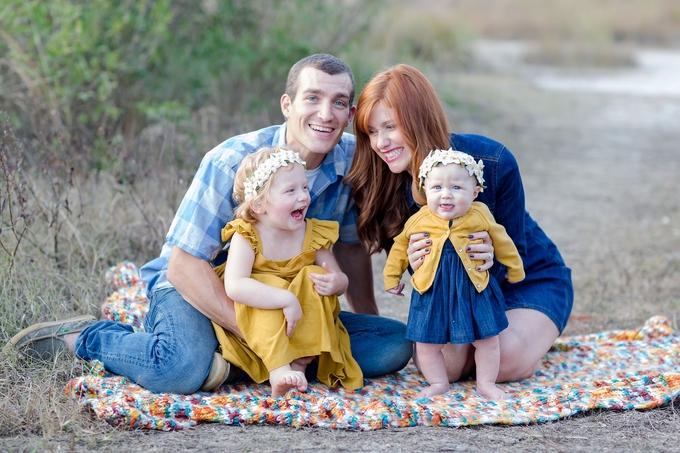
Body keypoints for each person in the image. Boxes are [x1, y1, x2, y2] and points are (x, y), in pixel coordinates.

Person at [4, 54, 413, 394]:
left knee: (392, 346)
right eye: (312, 98)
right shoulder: (232, 160)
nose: (326, 114)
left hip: (283, 297)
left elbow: (346, 247)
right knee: (177, 371)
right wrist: (265, 339)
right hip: (200, 287)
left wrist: (356, 321)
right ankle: (89, 337)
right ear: (287, 104)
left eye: (339, 102)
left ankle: (232, 367)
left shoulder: (349, 160)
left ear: (351, 112)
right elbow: (183, 266)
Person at [346, 63, 573, 386]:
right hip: (456, 292)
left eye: (390, 127)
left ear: (418, 119)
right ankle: (497, 345)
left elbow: (516, 255)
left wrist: (491, 255)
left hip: (526, 282)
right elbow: (428, 283)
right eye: (371, 132)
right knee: (445, 368)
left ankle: (529, 338)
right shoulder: (384, 184)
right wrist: (414, 262)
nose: (381, 143)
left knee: (504, 361)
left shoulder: (491, 162)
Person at [213, 146, 362, 397]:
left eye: (304, 187)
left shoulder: (311, 233)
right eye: (290, 191)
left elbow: (339, 278)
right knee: (268, 286)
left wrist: (337, 283)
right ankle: (278, 368)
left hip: (302, 322)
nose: (303, 197)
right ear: (259, 204)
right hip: (260, 318)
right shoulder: (248, 234)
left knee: (311, 278)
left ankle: (299, 364)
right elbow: (235, 286)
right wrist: (285, 298)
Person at [383, 148, 525, 399]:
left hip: (473, 289)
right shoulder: (419, 219)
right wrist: (391, 278)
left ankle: (486, 384)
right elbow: (399, 248)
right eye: (437, 187)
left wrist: (514, 269)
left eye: (457, 188)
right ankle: (438, 383)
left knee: (487, 340)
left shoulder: (480, 214)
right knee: (427, 345)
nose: (446, 195)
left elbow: (503, 241)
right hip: (433, 291)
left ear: (475, 192)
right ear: (425, 190)